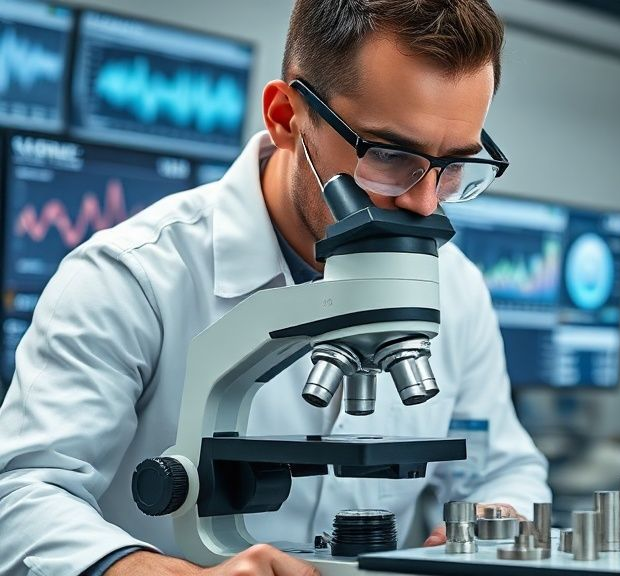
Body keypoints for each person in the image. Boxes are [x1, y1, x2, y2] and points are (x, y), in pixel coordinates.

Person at [0, 1, 550, 574]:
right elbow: (20, 494)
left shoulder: (456, 286)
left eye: (454, 166)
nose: (424, 204)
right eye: (388, 156)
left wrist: (495, 523)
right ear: (286, 118)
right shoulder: (132, 276)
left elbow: (504, 469)